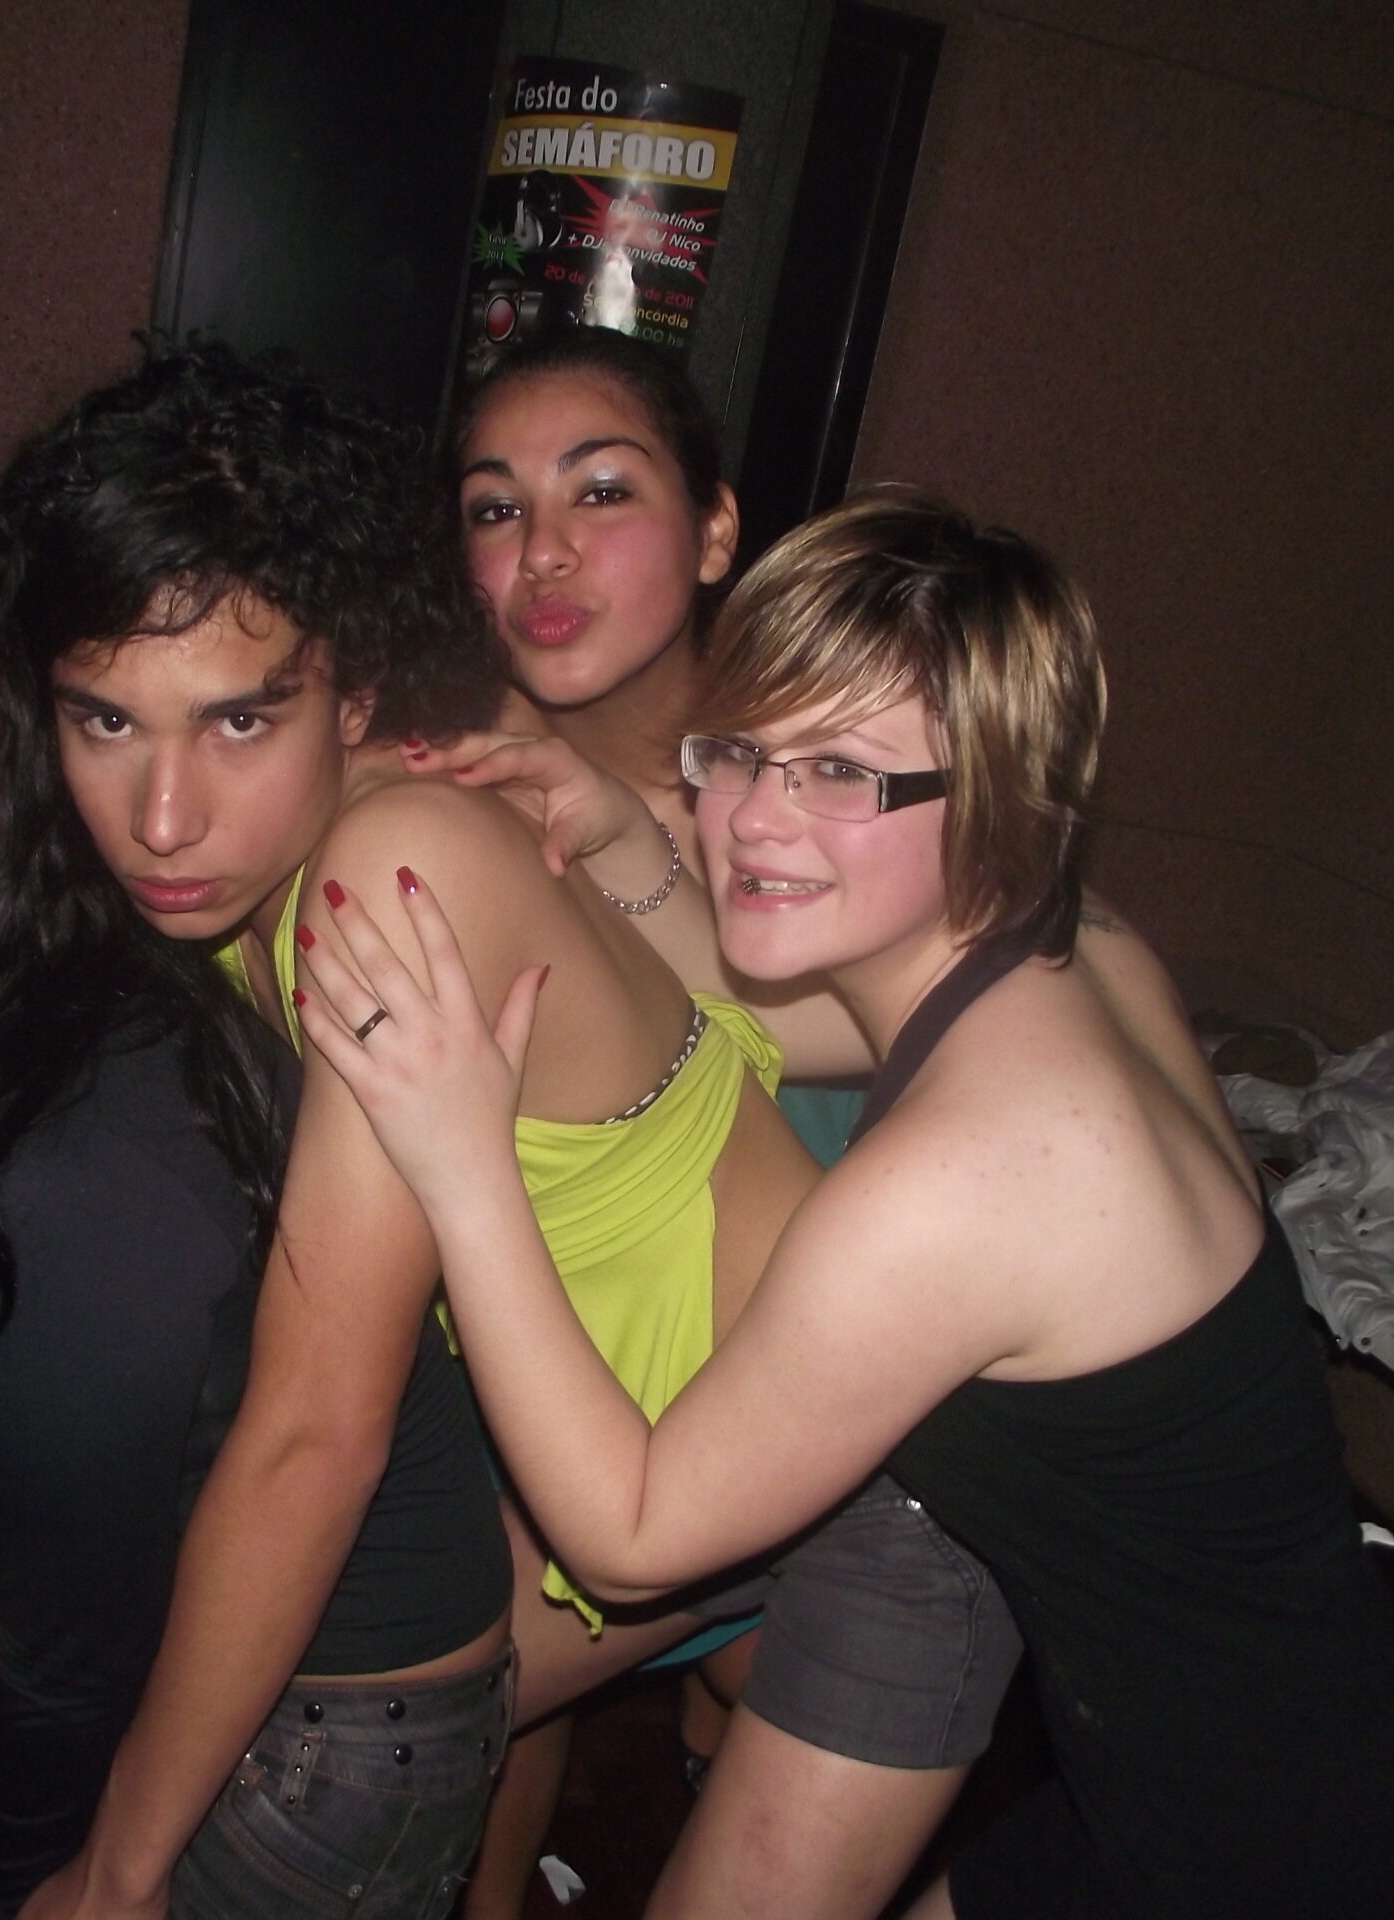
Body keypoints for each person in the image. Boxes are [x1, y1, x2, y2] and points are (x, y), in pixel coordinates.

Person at [292, 489, 1394, 1919]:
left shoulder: (969, 1176)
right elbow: (749, 988)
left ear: (1002, 793)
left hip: (1279, 1864)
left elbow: (631, 1538)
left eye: (841, 771)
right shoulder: (1084, 953)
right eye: (740, 751)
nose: (754, 819)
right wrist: (622, 831)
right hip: (1252, 1766)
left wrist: (464, 1166)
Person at [0, 344, 832, 1919]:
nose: (163, 817)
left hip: (798, 1467)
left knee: (285, 1732)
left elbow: (317, 1432)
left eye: (239, 721)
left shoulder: (388, 872)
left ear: (353, 691)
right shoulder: (234, 863)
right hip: (584, 1438)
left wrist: (115, 1881)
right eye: (105, 721)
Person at [0, 552, 513, 1920]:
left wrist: (20, 1890)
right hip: (126, 1631)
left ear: (29, 831)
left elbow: (78, 1667)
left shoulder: (76, 1168)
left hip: (321, 1734)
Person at [446, 329, 1019, 1917]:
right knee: (449, 1703)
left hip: (835, 1408)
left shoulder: (837, 792)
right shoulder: (446, 791)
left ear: (714, 532)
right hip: (556, 1378)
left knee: (775, 1722)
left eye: (600, 492)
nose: (540, 551)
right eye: (492, 507)